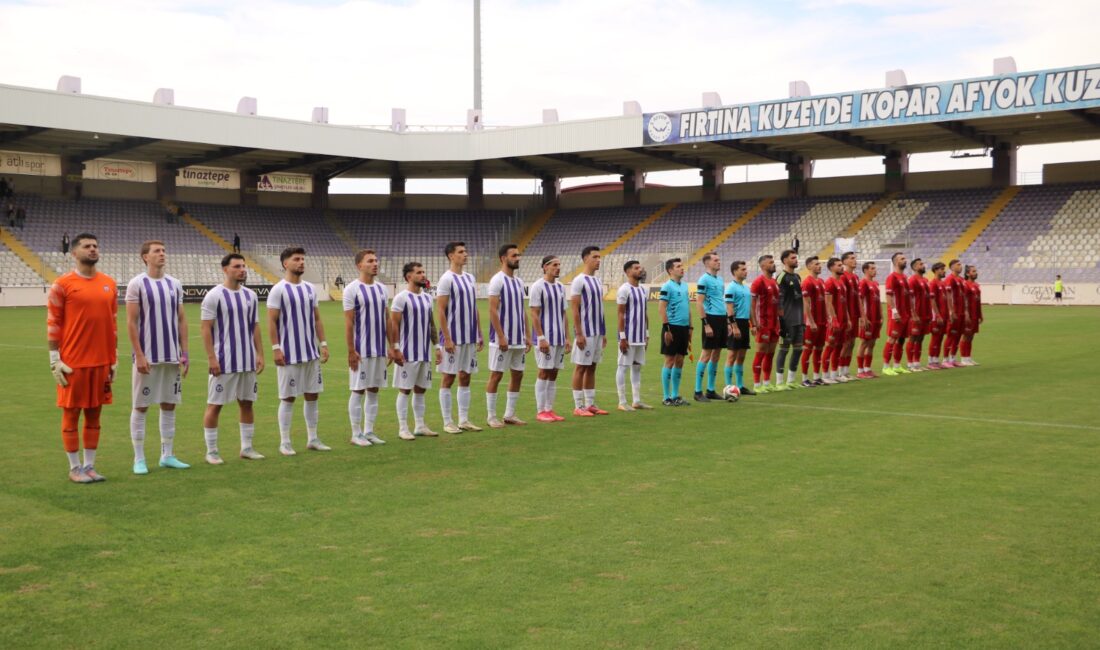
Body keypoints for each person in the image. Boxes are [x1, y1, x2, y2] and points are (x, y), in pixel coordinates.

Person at [47, 233, 118, 483]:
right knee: (71, 414)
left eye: (95, 246)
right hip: (73, 363)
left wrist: (113, 358)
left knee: (94, 416)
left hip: (101, 362)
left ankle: (89, 466)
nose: (93, 249)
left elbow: (112, 324)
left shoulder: (109, 283)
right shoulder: (62, 285)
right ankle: (74, 467)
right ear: (74, 253)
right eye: (87, 246)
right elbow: (53, 323)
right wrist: (54, 359)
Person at [126, 241, 190, 474]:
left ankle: (167, 455)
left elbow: (181, 319)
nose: (162, 254)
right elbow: (131, 322)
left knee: (169, 404)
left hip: (171, 356)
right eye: (157, 251)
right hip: (148, 357)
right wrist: (139, 354)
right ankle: (139, 459)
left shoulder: (175, 284)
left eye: (163, 250)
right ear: (145, 257)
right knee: (141, 405)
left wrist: (185, 353)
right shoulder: (137, 283)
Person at [200, 253, 266, 464]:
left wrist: (260, 353)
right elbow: (206, 328)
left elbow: (255, 326)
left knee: (247, 404)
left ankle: (247, 447)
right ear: (225, 269)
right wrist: (211, 358)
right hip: (224, 361)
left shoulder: (250, 296)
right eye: (237, 266)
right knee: (215, 405)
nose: (242, 270)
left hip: (247, 361)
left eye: (244, 266)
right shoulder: (214, 295)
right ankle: (211, 451)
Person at [268, 246, 330, 455]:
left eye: (303, 259)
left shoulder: (310, 288)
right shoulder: (278, 289)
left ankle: (313, 438)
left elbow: (317, 319)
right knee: (288, 397)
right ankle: (285, 442)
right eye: (296, 259)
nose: (301, 262)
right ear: (285, 263)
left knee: (312, 396)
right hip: (289, 354)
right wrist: (276, 348)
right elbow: (271, 321)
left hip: (310, 353)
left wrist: (323, 343)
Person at [435, 241, 483, 434]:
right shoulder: (446, 279)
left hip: (469, 337)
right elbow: (440, 310)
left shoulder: (470, 278)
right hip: (453, 338)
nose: (466, 254)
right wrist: (447, 338)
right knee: (448, 377)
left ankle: (464, 420)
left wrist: (479, 332)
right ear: (451, 256)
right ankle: (448, 422)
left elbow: (473, 306)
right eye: (461, 252)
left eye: (466, 251)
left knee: (465, 376)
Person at [343, 249, 389, 447]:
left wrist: (393, 346)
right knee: (358, 390)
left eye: (376, 260)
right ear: (359, 265)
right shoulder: (351, 290)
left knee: (374, 390)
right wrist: (351, 350)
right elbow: (348, 323)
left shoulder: (382, 289)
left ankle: (369, 431)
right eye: (370, 261)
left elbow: (387, 319)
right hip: (361, 351)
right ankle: (356, 433)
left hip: (379, 349)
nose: (375, 264)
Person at [388, 262, 438, 440]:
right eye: (419, 272)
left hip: (424, 353)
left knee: (421, 389)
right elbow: (394, 325)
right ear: (409, 276)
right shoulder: (401, 298)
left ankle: (420, 425)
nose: (423, 275)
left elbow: (431, 324)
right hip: (407, 353)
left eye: (423, 271)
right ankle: (403, 428)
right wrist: (395, 348)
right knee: (405, 390)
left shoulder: (427, 298)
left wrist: (437, 347)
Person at [486, 244, 530, 427]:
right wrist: (501, 336)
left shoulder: (519, 282)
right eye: (514, 255)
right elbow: (492, 310)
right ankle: (491, 416)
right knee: (496, 375)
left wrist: (528, 334)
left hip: (518, 338)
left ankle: (510, 414)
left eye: (518, 255)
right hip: (501, 339)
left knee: (518, 374)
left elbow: (522, 309)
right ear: (503, 258)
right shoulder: (497, 280)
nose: (518, 258)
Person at [529, 255, 570, 422]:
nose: (558, 267)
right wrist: (541, 337)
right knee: (544, 371)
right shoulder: (538, 286)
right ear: (545, 267)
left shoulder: (560, 287)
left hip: (559, 338)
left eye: (559, 265)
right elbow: (534, 314)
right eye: (554, 265)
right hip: (545, 338)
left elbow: (563, 314)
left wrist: (567, 337)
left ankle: (549, 409)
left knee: (554, 372)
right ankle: (540, 411)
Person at [570, 246, 609, 416]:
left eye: (599, 257)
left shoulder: (598, 281)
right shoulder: (579, 280)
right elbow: (575, 308)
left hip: (597, 331)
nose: (598, 260)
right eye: (595, 257)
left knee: (592, 366)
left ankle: (590, 404)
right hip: (586, 332)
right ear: (586, 259)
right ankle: (578, 406)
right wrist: (578, 333)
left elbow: (600, 308)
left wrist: (603, 332)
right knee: (581, 367)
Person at [616, 260, 651, 411]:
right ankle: (622, 402)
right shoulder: (624, 289)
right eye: (636, 268)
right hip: (628, 337)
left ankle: (636, 401)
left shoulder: (643, 290)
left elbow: (645, 313)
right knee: (623, 367)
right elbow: (620, 314)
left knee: (637, 367)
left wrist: (647, 333)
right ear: (628, 272)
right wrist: (622, 337)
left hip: (640, 336)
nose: (640, 270)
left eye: (640, 267)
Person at [692, 252, 725, 401]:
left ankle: (711, 390)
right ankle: (698, 391)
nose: (719, 262)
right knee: (706, 355)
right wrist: (706, 323)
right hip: (710, 319)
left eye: (719, 259)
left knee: (716, 354)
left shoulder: (720, 279)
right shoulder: (703, 279)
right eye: (715, 260)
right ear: (707, 263)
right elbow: (699, 302)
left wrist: (727, 321)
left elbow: (720, 300)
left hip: (721, 318)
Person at [659, 258, 691, 406]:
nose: (682, 268)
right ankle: (666, 397)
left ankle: (676, 395)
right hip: (672, 327)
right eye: (678, 266)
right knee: (670, 360)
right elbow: (661, 308)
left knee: (680, 360)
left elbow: (687, 308)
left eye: (682, 266)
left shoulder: (684, 286)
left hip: (684, 328)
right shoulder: (667, 286)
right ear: (670, 270)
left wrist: (690, 327)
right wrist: (667, 329)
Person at [774, 249, 804, 390]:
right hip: (787, 321)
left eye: (796, 257)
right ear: (785, 260)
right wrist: (781, 323)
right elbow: (778, 302)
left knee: (798, 349)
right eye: (793, 258)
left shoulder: (797, 277)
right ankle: (779, 382)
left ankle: (791, 381)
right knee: (784, 350)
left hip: (799, 320)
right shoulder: (781, 278)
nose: (796, 260)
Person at [749, 255, 780, 393]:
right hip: (763, 323)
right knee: (760, 353)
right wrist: (754, 324)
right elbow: (752, 305)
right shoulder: (758, 282)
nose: (773, 264)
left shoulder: (774, 281)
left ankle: (767, 383)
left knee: (770, 354)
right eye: (770, 262)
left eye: (773, 262)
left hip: (774, 324)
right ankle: (756, 384)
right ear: (763, 266)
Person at [723, 260, 754, 394]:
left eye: (745, 269)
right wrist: (734, 326)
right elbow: (729, 309)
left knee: (741, 356)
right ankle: (728, 387)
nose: (746, 271)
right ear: (735, 271)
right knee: (732, 356)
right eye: (743, 269)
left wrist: (753, 324)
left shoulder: (746, 288)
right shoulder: (731, 288)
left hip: (745, 323)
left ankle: (740, 386)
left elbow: (750, 308)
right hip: (735, 323)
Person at [799, 256, 826, 387]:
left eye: (819, 264)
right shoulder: (807, 282)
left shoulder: (821, 281)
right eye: (816, 264)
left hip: (822, 321)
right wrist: (811, 321)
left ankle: (816, 377)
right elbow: (806, 304)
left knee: (819, 348)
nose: (819, 266)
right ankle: (804, 379)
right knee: (808, 349)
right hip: (811, 322)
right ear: (809, 266)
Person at [821, 257, 849, 385]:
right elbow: (828, 303)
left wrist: (848, 319)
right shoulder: (829, 282)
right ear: (831, 268)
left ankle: (834, 374)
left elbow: (844, 303)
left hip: (843, 320)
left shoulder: (841, 282)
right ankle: (825, 375)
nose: (842, 267)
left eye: (841, 265)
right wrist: (834, 319)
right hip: (835, 321)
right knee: (830, 346)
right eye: (838, 265)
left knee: (839, 346)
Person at [906, 258, 936, 372]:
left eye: (923, 264)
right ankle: (910, 364)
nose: (923, 266)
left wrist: (930, 313)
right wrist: (913, 314)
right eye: (920, 264)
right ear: (914, 267)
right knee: (913, 337)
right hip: (917, 314)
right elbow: (910, 298)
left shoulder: (925, 280)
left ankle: (917, 362)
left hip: (925, 314)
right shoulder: (912, 280)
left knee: (921, 338)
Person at [941, 259, 969, 368]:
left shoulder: (961, 279)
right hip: (954, 312)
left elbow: (964, 296)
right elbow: (948, 296)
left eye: (961, 264)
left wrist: (966, 311)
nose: (960, 266)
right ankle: (945, 359)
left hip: (961, 312)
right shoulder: (950, 279)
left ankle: (953, 358)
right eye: (958, 265)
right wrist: (951, 311)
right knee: (951, 335)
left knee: (958, 335)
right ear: (952, 267)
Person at [856, 261, 882, 379]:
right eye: (872, 268)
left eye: (875, 268)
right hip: (868, 318)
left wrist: (881, 316)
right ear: (866, 270)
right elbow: (860, 301)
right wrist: (863, 317)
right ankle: (860, 370)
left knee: (872, 343)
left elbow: (878, 301)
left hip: (876, 318)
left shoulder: (875, 283)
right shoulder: (863, 283)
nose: (874, 270)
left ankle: (867, 369)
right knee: (864, 343)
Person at [926, 262, 949, 369]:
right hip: (936, 316)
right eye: (942, 269)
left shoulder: (943, 283)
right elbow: (932, 300)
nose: (944, 271)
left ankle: (936, 360)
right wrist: (938, 315)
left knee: (940, 338)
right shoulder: (933, 283)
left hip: (944, 315)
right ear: (936, 270)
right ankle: (930, 361)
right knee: (935, 338)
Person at [960, 265, 983, 366]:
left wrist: (980, 314)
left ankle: (968, 357)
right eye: (973, 271)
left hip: (975, 314)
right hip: (969, 314)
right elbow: (964, 300)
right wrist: (966, 313)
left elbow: (978, 301)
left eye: (975, 271)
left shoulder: (976, 285)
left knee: (971, 336)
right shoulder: (965, 285)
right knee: (966, 335)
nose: (975, 273)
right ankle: (963, 358)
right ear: (967, 273)